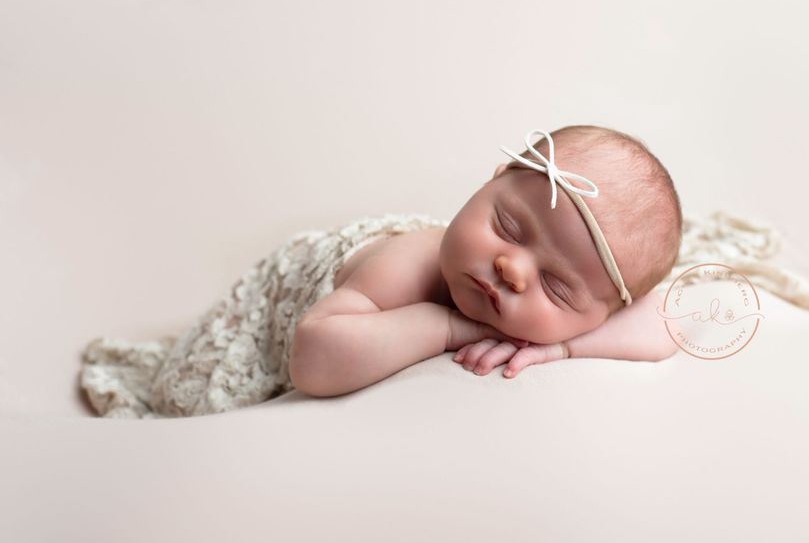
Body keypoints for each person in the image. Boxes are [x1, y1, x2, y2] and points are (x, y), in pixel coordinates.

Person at [80, 125, 683, 418]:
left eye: (555, 286)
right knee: (182, 395)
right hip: (287, 299)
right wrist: (446, 327)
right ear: (489, 184)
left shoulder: (587, 304)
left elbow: (667, 326)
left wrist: (559, 351)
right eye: (508, 227)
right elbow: (314, 358)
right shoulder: (409, 266)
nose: (511, 268)